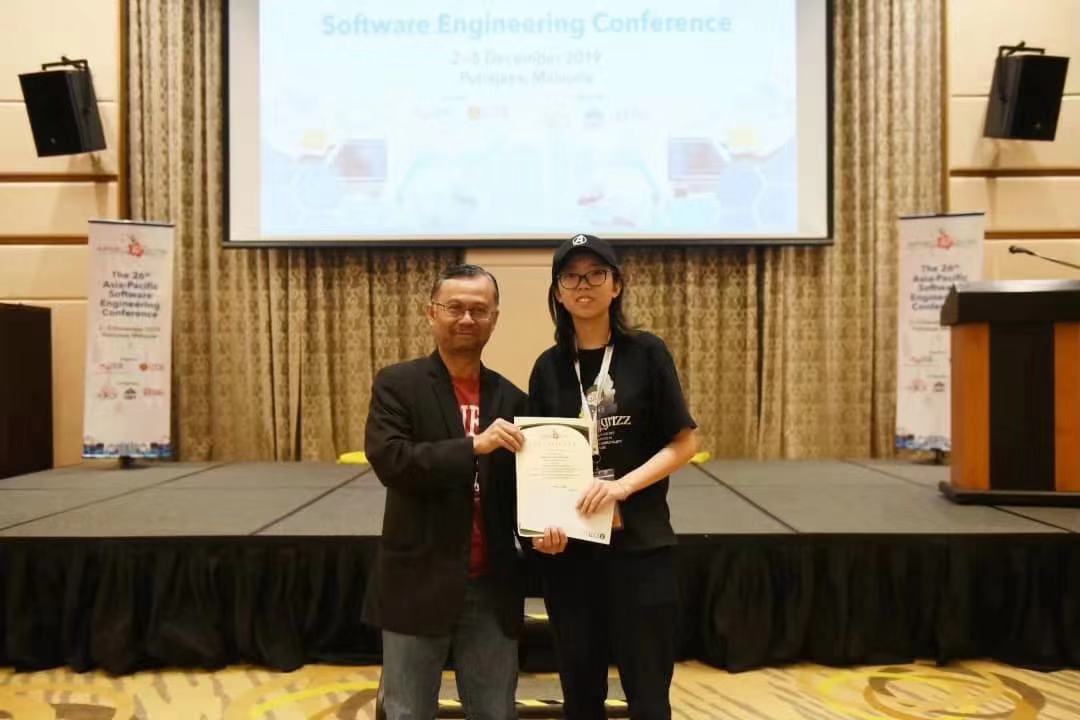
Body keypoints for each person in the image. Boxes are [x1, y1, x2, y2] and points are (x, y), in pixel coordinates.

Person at [527, 234, 698, 720]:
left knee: (648, 698)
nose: (583, 285)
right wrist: (541, 528)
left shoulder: (646, 353)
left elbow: (684, 443)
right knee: (581, 698)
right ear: (558, 293)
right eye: (571, 277)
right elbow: (538, 462)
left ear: (616, 285)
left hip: (640, 549)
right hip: (572, 558)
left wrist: (623, 486)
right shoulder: (548, 368)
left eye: (595, 274)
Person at [364, 264, 527, 720]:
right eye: (455, 307)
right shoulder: (398, 384)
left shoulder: (513, 399)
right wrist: (474, 446)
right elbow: (392, 461)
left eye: (479, 309)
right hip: (417, 581)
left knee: (496, 712)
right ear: (431, 313)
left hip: (493, 586)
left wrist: (549, 528)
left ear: (495, 318)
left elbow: (523, 493)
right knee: (407, 711)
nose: (467, 319)